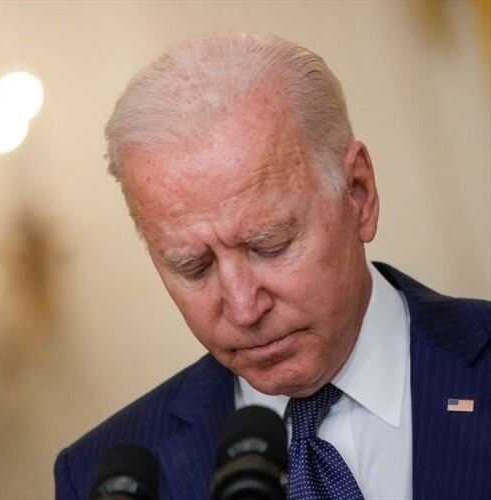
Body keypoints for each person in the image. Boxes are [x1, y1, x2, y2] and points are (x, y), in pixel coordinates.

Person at [54, 32, 490, 500]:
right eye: (194, 267)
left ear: (358, 194)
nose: (243, 308)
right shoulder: (103, 479)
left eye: (270, 245)